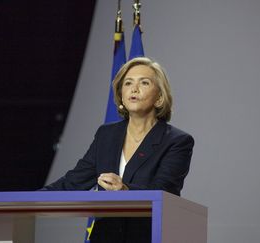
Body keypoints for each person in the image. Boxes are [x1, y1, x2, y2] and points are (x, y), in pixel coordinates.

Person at [42, 57, 194, 242]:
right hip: (106, 236)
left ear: (160, 97)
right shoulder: (106, 135)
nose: (134, 89)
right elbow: (75, 180)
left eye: (144, 82)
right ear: (121, 95)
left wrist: (124, 190)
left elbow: (164, 192)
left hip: (148, 236)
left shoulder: (177, 141)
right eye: (128, 83)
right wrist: (27, 200)